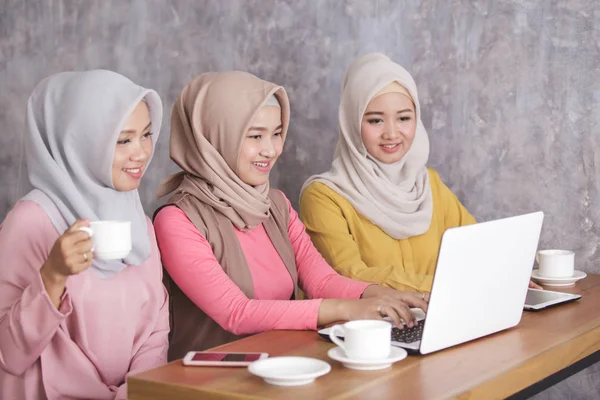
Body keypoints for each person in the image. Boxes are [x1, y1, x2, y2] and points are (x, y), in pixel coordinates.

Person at [153, 71, 428, 361]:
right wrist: (347, 309)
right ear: (214, 136)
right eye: (255, 136)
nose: (271, 149)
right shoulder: (177, 219)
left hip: (282, 365)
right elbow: (236, 312)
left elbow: (321, 282)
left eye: (276, 133)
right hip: (210, 382)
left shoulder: (275, 205)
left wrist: (383, 295)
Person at [0, 70, 169, 399]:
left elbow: (155, 330)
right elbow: (9, 354)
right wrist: (53, 276)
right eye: (123, 140)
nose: (141, 153)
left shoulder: (139, 222)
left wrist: (134, 393)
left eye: (146, 135)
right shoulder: (30, 221)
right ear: (80, 141)